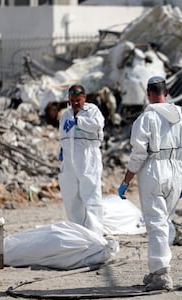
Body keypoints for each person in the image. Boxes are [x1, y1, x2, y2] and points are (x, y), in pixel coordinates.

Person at [118, 76, 182, 291]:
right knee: (163, 221)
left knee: (156, 223)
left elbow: (138, 154)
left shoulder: (146, 119)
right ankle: (156, 269)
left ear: (148, 94)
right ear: (167, 93)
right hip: (177, 171)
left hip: (154, 169)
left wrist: (126, 181)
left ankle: (161, 273)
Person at [58, 84, 105, 236]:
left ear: (84, 98)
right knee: (71, 196)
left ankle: (95, 233)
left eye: (78, 100)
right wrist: (62, 149)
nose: (75, 103)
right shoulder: (66, 114)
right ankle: (79, 232)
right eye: (72, 100)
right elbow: (63, 134)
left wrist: (79, 122)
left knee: (90, 195)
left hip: (87, 157)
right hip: (69, 159)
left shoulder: (92, 111)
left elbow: (97, 125)